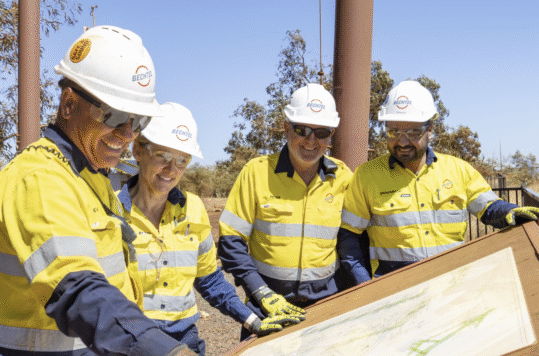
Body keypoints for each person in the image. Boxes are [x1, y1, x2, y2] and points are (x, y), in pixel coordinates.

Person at [0, 25, 193, 356]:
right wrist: (160, 350)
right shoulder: (39, 179)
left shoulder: (93, 179)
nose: (127, 134)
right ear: (69, 105)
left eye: (138, 121)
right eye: (115, 116)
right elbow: (79, 290)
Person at [117, 102, 302, 355]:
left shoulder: (193, 209)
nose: (172, 170)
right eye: (163, 156)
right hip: (130, 343)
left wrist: (252, 321)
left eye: (182, 160)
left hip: (185, 340)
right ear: (138, 150)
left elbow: (209, 279)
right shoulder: (110, 212)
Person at [338, 80, 539, 284]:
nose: (402, 141)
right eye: (393, 132)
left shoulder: (458, 170)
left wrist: (510, 212)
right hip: (396, 293)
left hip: (454, 285)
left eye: (413, 132)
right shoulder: (366, 176)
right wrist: (366, 286)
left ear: (430, 130)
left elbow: (489, 207)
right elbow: (348, 237)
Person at [218, 83, 353, 340]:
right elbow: (231, 243)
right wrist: (261, 293)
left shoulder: (344, 178)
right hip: (266, 306)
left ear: (331, 134)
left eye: (321, 131)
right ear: (285, 127)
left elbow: (354, 242)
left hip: (326, 306)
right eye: (301, 130)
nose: (311, 140)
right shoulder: (256, 173)